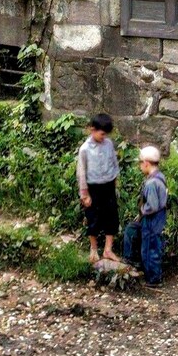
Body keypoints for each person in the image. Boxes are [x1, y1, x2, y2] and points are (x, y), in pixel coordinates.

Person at [76, 112, 120, 265]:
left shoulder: (108, 144)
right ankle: (94, 249)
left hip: (108, 186)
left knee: (111, 216)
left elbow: (114, 162)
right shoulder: (85, 149)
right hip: (93, 188)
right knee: (93, 217)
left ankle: (108, 249)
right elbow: (81, 172)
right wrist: (84, 194)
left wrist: (115, 181)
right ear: (92, 130)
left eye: (105, 134)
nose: (104, 137)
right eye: (101, 134)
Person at [124, 145, 168, 288]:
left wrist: (143, 209)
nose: (139, 166)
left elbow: (153, 206)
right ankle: (134, 263)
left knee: (149, 248)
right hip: (157, 219)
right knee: (133, 230)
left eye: (140, 163)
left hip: (152, 220)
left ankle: (153, 279)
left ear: (146, 163)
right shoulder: (160, 177)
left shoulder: (151, 183)